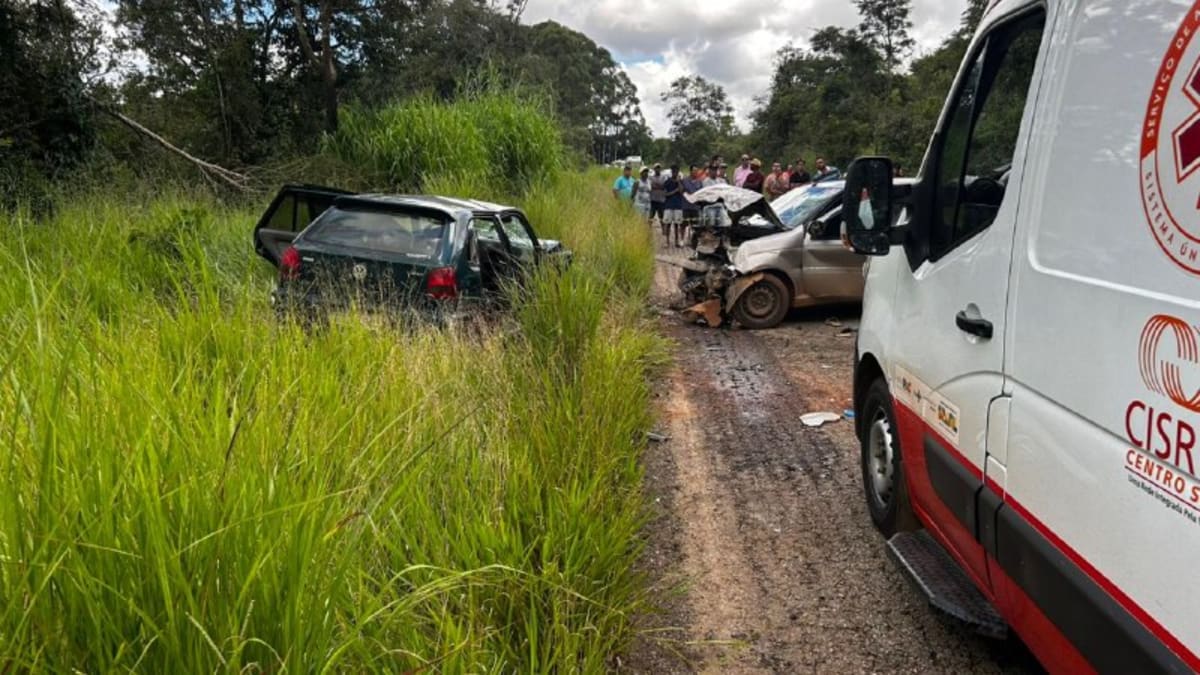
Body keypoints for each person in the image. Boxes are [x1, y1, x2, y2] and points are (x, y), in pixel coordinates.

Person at [663, 163, 686, 247]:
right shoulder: (667, 182)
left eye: (676, 171)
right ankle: (667, 241)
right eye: (673, 171)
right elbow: (665, 194)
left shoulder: (681, 181)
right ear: (671, 172)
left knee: (677, 224)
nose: (675, 173)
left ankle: (676, 241)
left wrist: (678, 182)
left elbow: (681, 191)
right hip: (669, 205)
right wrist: (674, 191)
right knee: (668, 224)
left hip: (678, 205)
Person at [682, 164, 704, 242]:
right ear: (690, 171)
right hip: (686, 205)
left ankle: (693, 239)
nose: (695, 172)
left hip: (695, 206)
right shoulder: (684, 180)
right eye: (694, 170)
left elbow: (701, 192)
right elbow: (683, 190)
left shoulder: (699, 181)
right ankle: (682, 239)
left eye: (697, 171)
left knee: (695, 224)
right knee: (684, 223)